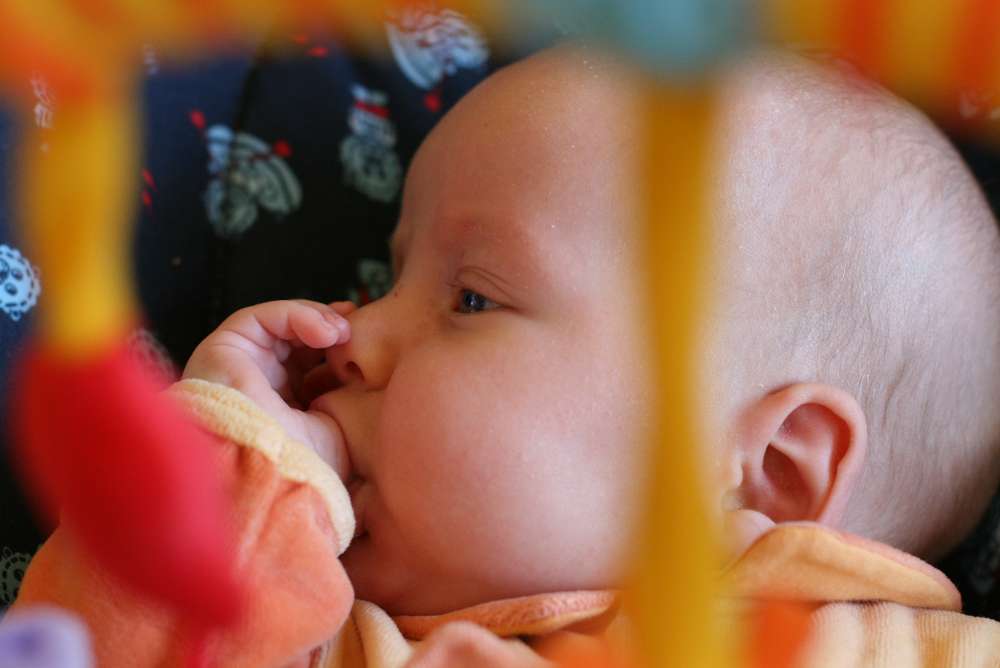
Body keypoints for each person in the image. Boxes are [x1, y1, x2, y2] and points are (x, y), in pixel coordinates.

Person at [11, 46, 1000, 666]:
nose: (350, 333)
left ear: (770, 467)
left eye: (473, 298)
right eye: (386, 280)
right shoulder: (311, 631)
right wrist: (234, 466)